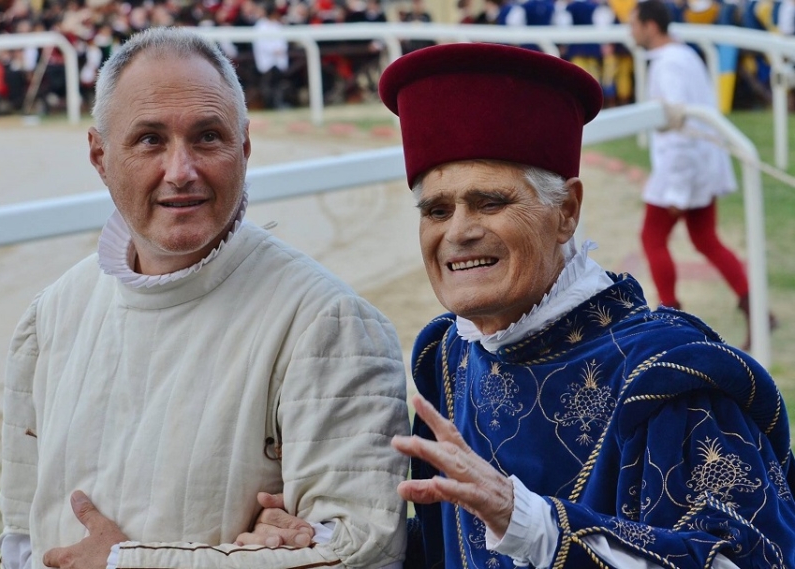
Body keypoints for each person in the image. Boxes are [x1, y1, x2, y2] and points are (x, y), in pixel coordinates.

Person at [250, 42, 795, 568]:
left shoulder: (672, 378)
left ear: (567, 211)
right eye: (437, 210)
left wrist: (532, 523)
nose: (458, 232)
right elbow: (453, 550)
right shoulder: (448, 357)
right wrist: (327, 538)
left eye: (490, 202)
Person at [0, 26, 409, 569]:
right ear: (100, 155)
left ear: (244, 147)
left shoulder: (328, 325)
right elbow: (20, 539)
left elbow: (363, 554)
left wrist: (125, 563)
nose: (181, 171)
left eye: (207, 137)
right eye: (150, 140)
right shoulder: (51, 316)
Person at [630, 0, 774, 349]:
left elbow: (680, 126)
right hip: (699, 165)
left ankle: (670, 318)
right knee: (705, 238)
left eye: (633, 24)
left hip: (685, 169)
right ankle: (756, 310)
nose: (629, 31)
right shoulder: (682, 55)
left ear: (650, 26)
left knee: (652, 237)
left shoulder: (669, 64)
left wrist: (678, 190)